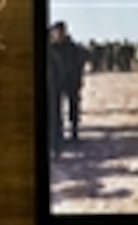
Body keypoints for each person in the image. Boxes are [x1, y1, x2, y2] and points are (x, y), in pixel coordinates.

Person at [47, 21, 88, 157]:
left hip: (71, 83)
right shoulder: (51, 48)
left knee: (73, 108)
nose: (58, 35)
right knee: (55, 112)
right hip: (56, 84)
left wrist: (78, 79)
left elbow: (78, 64)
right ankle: (57, 140)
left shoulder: (72, 48)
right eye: (56, 32)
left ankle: (74, 132)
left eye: (60, 32)